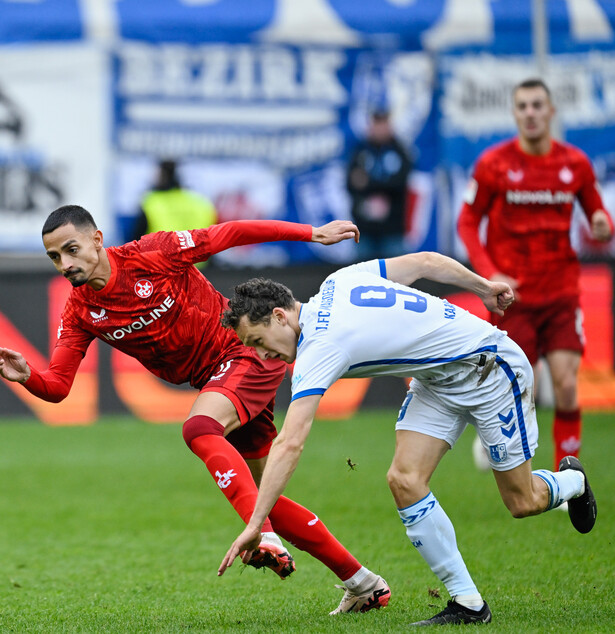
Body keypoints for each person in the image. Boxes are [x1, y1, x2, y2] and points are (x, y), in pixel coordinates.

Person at [0, 205, 392, 615]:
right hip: (217, 381)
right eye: (55, 257)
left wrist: (312, 233)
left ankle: (265, 537)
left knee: (198, 428)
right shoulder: (80, 310)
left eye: (71, 249)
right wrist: (27, 377)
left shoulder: (153, 253)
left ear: (97, 239)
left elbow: (230, 233)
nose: (65, 264)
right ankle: (363, 583)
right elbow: (58, 386)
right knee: (262, 496)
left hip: (245, 349)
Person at [217, 252, 597, 626]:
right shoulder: (338, 282)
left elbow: (290, 443)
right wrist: (483, 287)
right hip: (438, 381)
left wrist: (256, 524)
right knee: (404, 479)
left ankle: (574, 482)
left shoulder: (320, 347)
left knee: (522, 500)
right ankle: (468, 603)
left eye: (257, 339)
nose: (261, 353)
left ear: (280, 316)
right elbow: (426, 262)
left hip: (490, 369)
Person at [457, 78, 613, 469]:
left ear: (550, 111)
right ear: (514, 113)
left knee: (564, 383)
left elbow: (599, 214)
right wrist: (491, 273)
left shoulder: (574, 163)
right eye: (523, 106)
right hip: (514, 299)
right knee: (521, 388)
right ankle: (501, 444)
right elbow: (466, 222)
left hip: (561, 292)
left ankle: (569, 476)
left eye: (537, 105)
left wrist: (602, 223)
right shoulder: (494, 164)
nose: (530, 113)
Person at [346, 109, 412, 259]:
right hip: (364, 228)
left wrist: (368, 183)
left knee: (393, 277)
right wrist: (382, 186)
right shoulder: (360, 150)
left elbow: (401, 183)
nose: (380, 128)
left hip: (392, 228)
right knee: (362, 276)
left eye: (383, 124)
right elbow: (351, 183)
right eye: (376, 124)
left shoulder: (400, 150)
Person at [131, 159, 217, 243]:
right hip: (199, 255)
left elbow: (136, 240)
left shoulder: (152, 202)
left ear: (162, 177)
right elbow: (213, 236)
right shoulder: (200, 202)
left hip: (161, 255)